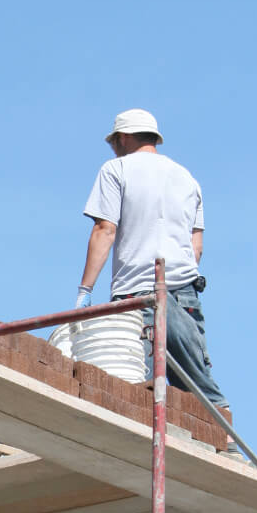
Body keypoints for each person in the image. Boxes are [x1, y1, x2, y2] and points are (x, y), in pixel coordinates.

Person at [75, 108, 232, 425]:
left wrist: (85, 290)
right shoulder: (187, 178)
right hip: (185, 293)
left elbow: (105, 229)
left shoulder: (116, 169)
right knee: (197, 389)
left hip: (138, 295)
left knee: (140, 392)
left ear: (122, 138)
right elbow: (195, 245)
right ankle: (224, 441)